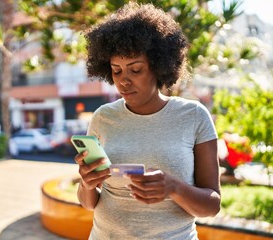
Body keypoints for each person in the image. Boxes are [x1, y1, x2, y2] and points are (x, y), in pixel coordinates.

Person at [74, 2, 220, 239]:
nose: (124, 81)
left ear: (158, 67)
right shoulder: (103, 117)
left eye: (136, 69)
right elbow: (89, 204)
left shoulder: (194, 116)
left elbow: (212, 205)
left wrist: (174, 188)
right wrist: (87, 183)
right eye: (117, 70)